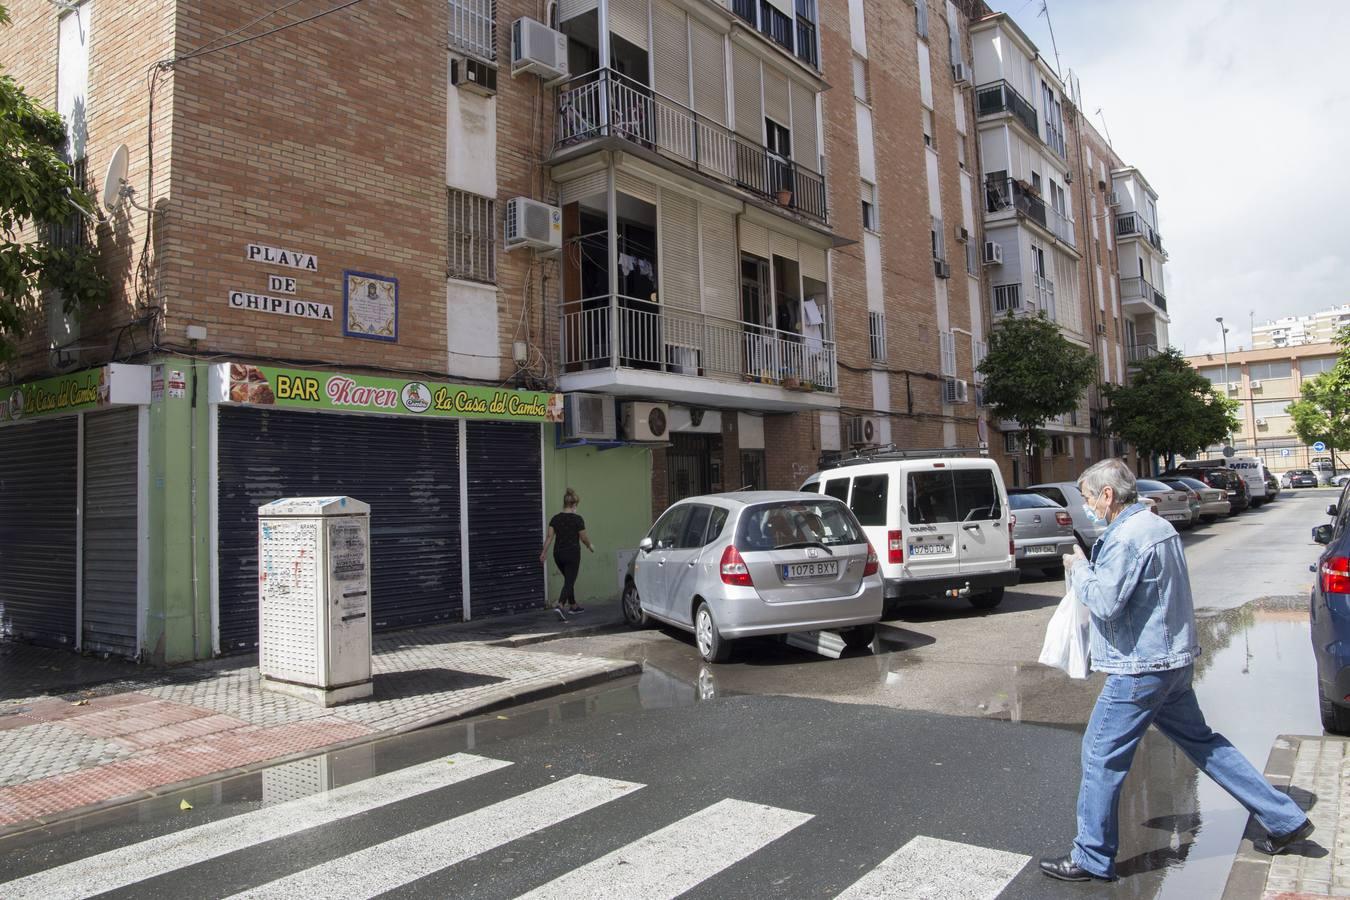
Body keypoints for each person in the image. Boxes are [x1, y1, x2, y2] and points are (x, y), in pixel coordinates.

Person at [1039, 458, 1312, 883]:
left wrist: (1079, 568)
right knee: (1204, 744)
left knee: (1099, 754)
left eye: (1090, 497)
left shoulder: (1127, 536)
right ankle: (1284, 817)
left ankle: (1092, 856)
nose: (1089, 506)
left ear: (1107, 495)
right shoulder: (1157, 526)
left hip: (1141, 669)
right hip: (1173, 661)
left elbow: (1107, 603)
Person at [539, 488, 594, 617]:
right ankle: (560, 605)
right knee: (570, 580)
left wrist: (543, 552)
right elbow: (583, 537)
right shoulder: (577, 519)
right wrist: (589, 546)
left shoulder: (555, 519)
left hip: (558, 554)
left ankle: (573, 605)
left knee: (568, 579)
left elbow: (549, 537)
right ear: (574, 505)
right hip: (572, 553)